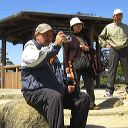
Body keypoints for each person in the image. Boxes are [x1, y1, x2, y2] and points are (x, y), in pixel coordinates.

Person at [21, 23, 90, 128]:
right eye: (46, 35)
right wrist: (56, 46)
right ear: (37, 35)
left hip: (53, 90)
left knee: (83, 98)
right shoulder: (30, 48)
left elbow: (57, 74)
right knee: (54, 97)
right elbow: (37, 59)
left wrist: (66, 85)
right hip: (34, 91)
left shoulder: (52, 50)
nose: (49, 38)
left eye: (50, 35)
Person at [64, 17, 99, 110]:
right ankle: (77, 103)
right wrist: (66, 66)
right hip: (74, 64)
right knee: (75, 85)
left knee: (89, 85)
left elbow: (93, 50)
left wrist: (87, 48)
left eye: (80, 24)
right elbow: (65, 53)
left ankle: (92, 103)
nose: (79, 26)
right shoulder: (69, 37)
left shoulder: (85, 36)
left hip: (87, 64)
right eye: (77, 25)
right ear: (72, 27)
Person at [98, 9, 128, 97]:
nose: (119, 17)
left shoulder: (126, 27)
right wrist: (105, 44)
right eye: (117, 15)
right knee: (111, 70)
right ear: (113, 17)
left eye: (121, 15)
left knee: (127, 69)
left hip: (124, 49)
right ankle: (109, 91)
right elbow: (101, 37)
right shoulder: (109, 27)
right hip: (113, 50)